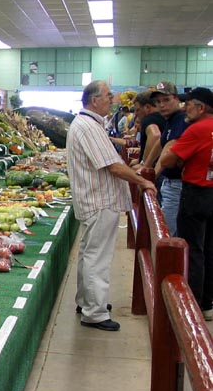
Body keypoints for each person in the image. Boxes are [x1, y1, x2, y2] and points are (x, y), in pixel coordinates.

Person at [67, 80, 156, 331]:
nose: (113, 99)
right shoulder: (88, 127)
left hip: (94, 198)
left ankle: (86, 301)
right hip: (99, 199)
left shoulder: (90, 124)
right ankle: (94, 312)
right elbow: (112, 165)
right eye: (108, 96)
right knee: (97, 257)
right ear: (94, 100)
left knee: (89, 253)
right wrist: (141, 181)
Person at [159, 87, 213, 321]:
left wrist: (181, 158)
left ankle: (193, 303)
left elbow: (169, 158)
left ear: (201, 107)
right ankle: (208, 301)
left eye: (188, 104)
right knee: (210, 247)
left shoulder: (197, 129)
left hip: (196, 193)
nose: (185, 108)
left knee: (193, 249)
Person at [143, 81, 189, 236]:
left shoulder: (181, 119)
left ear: (177, 99)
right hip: (170, 183)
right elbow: (160, 143)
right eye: (158, 102)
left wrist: (152, 176)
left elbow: (169, 147)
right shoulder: (171, 120)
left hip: (177, 184)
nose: (162, 105)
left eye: (166, 100)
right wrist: (145, 165)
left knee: (165, 233)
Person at [130, 91, 164, 168]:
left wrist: (144, 163)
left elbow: (155, 135)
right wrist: (140, 159)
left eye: (137, 110)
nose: (135, 113)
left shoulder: (148, 119)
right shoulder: (163, 117)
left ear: (147, 108)